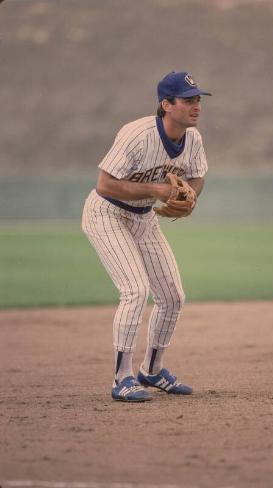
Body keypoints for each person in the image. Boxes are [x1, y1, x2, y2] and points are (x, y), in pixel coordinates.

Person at [82, 71, 211, 402]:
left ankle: (152, 371)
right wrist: (156, 189)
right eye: (187, 100)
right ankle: (121, 378)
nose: (196, 105)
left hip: (142, 218)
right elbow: (105, 184)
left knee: (172, 296)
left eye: (197, 99)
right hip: (106, 213)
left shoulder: (193, 140)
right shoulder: (137, 135)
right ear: (166, 104)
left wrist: (191, 197)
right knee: (135, 291)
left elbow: (197, 176)